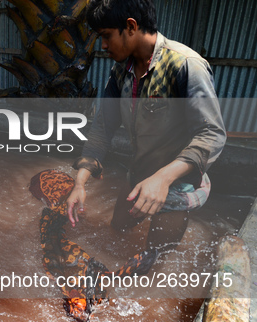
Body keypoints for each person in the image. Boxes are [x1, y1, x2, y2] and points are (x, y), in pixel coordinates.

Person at [67, 0, 226, 252]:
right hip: (139, 175)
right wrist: (80, 183)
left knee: (152, 263)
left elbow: (212, 134)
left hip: (177, 185)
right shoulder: (120, 71)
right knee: (116, 232)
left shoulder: (185, 66)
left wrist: (162, 179)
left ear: (130, 26)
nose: (103, 45)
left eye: (106, 36)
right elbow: (102, 129)